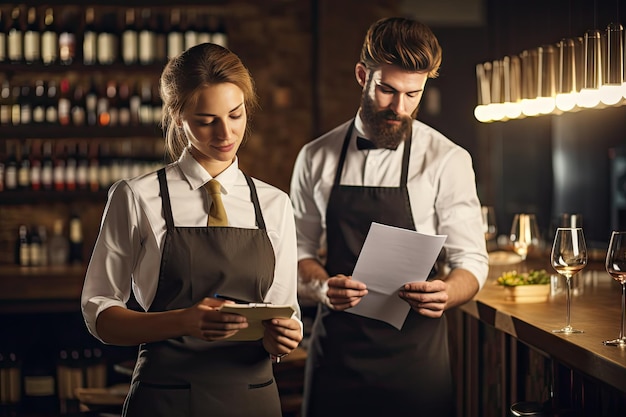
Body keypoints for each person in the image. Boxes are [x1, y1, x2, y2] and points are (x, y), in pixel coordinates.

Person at [81, 42, 303, 417]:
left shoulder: (274, 204)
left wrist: (286, 336)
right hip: (165, 399)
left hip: (254, 399)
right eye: (206, 120)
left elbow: (285, 312)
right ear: (177, 116)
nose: (226, 133)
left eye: (236, 115)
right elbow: (100, 315)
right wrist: (185, 321)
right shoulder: (136, 197)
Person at [290, 17, 489, 417]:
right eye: (387, 90)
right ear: (363, 75)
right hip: (336, 356)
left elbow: (472, 262)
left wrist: (448, 292)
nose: (400, 108)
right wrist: (323, 287)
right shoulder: (315, 157)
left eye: (413, 94)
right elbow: (296, 252)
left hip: (416, 361)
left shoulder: (447, 160)